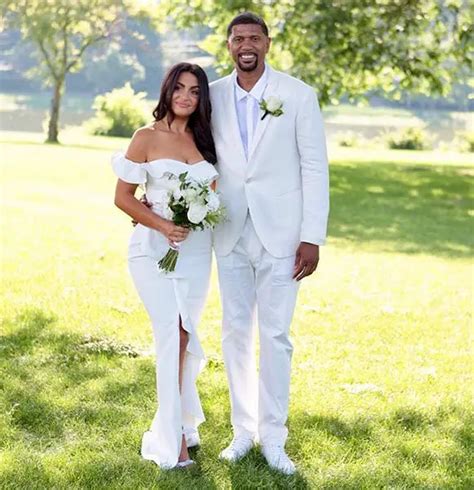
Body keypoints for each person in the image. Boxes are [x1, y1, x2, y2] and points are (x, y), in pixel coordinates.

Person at [210, 12, 329, 474]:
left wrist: (311, 236)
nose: (246, 45)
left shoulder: (298, 95)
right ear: (228, 45)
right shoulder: (212, 95)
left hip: (283, 235)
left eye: (254, 38)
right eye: (238, 38)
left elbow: (314, 167)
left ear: (267, 44)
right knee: (235, 333)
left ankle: (274, 437)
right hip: (229, 230)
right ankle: (242, 432)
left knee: (276, 336)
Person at [112, 62, 218, 469]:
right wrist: (163, 224)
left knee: (186, 334)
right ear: (167, 91)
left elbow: (212, 195)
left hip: (195, 252)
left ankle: (181, 425)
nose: (186, 97)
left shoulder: (204, 139)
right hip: (152, 248)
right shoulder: (145, 137)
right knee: (171, 334)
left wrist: (192, 219)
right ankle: (173, 442)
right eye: (179, 88)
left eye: (195, 91)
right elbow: (123, 197)